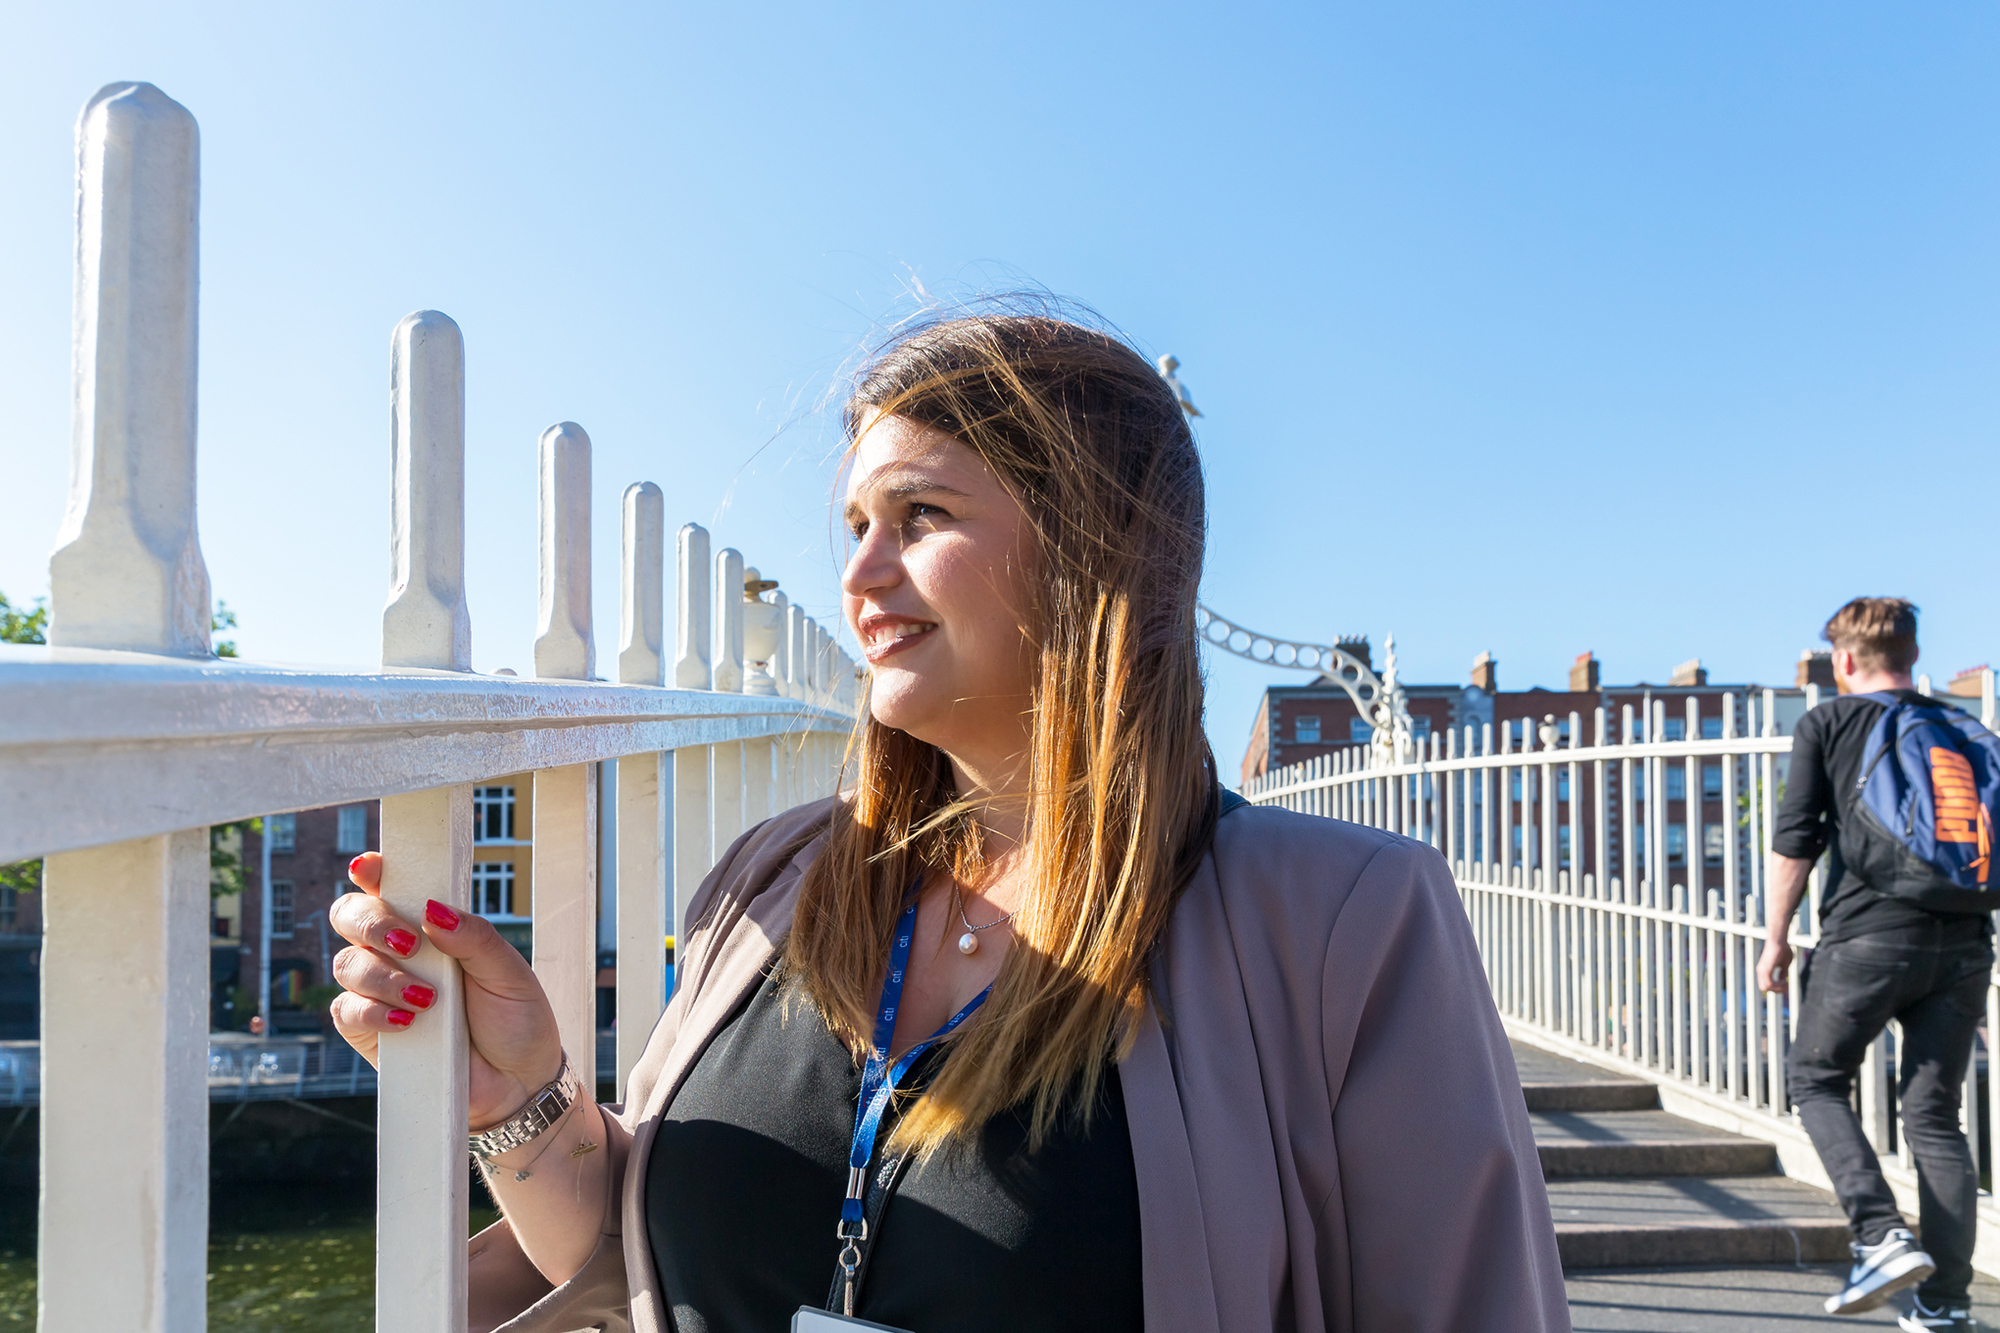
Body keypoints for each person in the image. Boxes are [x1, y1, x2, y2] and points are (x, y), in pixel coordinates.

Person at [329, 312, 1568, 1333]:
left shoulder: (1338, 921)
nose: (861, 577)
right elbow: (632, 1256)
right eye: (858, 525)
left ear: (1097, 545)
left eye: (921, 518)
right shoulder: (770, 879)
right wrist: (521, 1099)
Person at [1759, 597, 1992, 1333]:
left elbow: (1797, 841)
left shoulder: (1829, 721)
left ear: (1844, 662)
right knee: (1933, 1114)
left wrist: (1774, 937)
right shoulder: (1964, 727)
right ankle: (1946, 1302)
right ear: (1912, 658)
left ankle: (1878, 1232)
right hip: (1965, 938)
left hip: (1869, 933)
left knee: (1815, 1076)